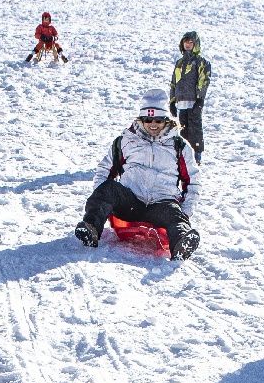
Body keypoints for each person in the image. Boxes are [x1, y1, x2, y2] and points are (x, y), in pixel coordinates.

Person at [74, 89, 201, 262]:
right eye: (148, 120)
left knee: (174, 214)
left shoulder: (178, 146)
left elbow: (192, 181)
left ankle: (181, 243)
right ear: (141, 120)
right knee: (109, 188)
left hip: (161, 203)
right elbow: (105, 170)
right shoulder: (126, 140)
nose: (153, 124)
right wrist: (102, 200)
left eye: (158, 120)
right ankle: (91, 228)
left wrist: (186, 211)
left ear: (167, 120)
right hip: (131, 202)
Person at [169, 31, 211, 161]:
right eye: (185, 42)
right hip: (181, 102)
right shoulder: (179, 63)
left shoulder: (200, 62)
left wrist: (200, 99)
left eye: (190, 42)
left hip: (194, 101)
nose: (187, 44)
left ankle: (196, 157)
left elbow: (203, 81)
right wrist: (172, 101)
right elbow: (174, 83)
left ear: (196, 44)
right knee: (182, 130)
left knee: (195, 129)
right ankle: (183, 157)